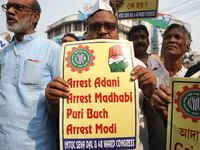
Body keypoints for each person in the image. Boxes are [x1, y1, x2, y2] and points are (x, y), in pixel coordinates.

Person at [45, 0, 156, 150]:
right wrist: (52, 99)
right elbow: (56, 111)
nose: (103, 31)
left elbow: (149, 109)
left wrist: (150, 92)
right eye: (95, 27)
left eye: (110, 26)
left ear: (117, 31)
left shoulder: (137, 65)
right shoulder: (68, 67)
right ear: (87, 31)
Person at [0, 0, 66, 149]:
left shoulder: (53, 50)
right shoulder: (3, 54)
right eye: (8, 6)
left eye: (18, 7)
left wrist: (53, 99)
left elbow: (64, 103)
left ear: (35, 17)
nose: (10, 11)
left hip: (39, 145)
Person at [148, 23, 192, 150]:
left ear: (187, 47)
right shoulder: (150, 78)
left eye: (177, 37)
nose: (171, 40)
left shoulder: (192, 81)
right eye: (167, 37)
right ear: (162, 46)